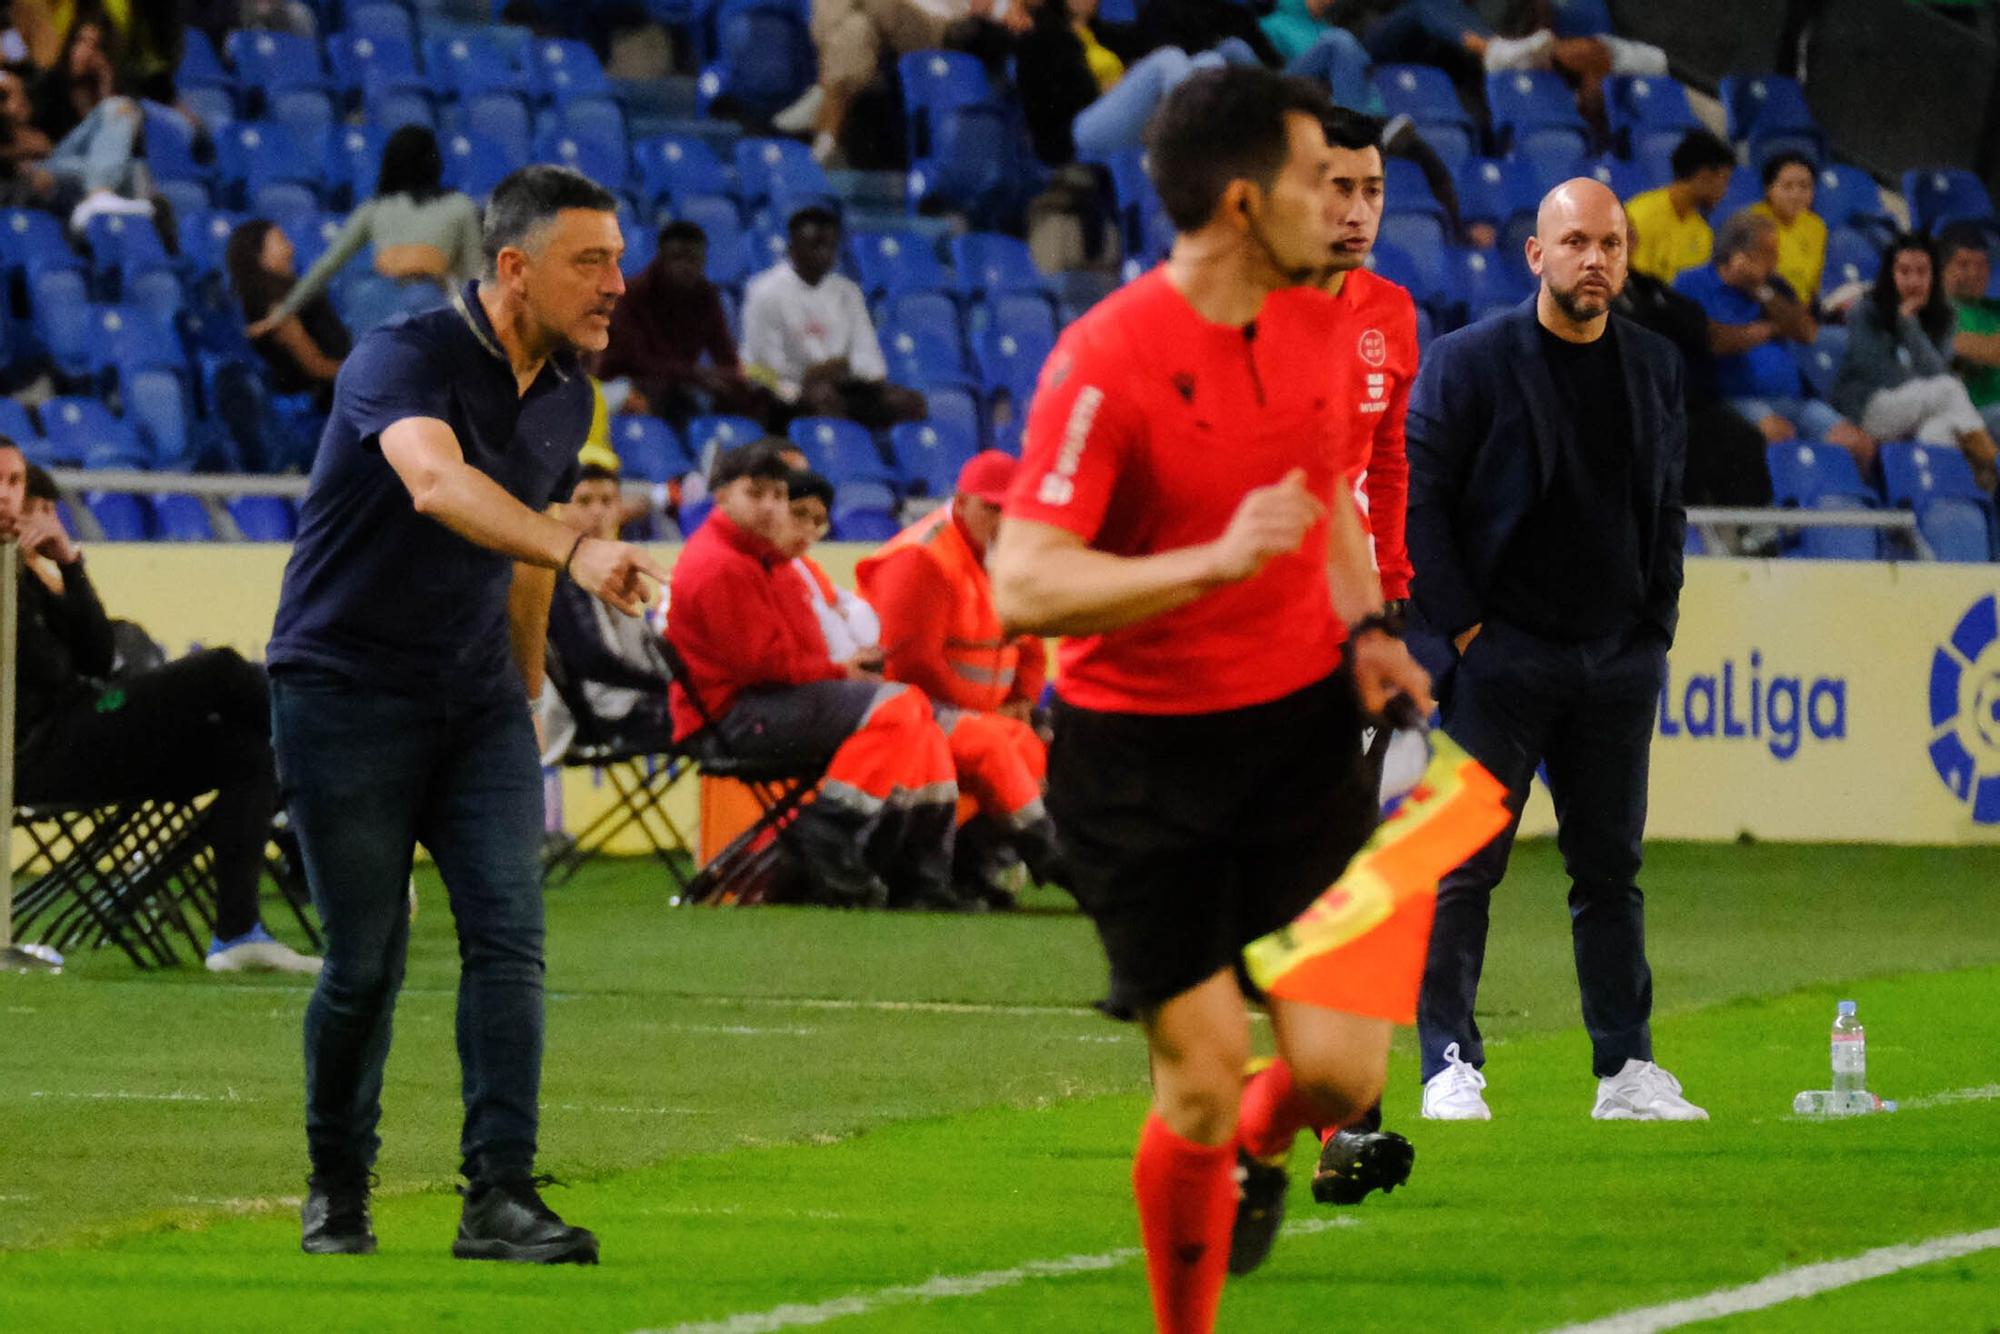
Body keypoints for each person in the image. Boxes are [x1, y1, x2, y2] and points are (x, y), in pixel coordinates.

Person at [991, 67, 1433, 1332]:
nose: (1342, 202)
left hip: (1297, 737)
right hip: (1137, 759)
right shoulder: (1107, 358)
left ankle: (1249, 1146)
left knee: (1341, 1074)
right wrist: (1212, 561)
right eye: (1315, 178)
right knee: (1193, 1074)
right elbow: (1022, 582)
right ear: (1244, 203)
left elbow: (1331, 502)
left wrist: (1364, 628)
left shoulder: (1319, 329)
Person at [268, 165, 667, 1264]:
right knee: (365, 960)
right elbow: (439, 488)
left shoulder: (569, 394)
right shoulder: (399, 358)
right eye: (589, 261)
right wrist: (583, 546)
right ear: (512, 267)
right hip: (342, 688)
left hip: (476, 698)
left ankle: (499, 1194)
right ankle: (336, 1187)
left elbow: (524, 552)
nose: (614, 285)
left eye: (616, 260)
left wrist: (523, 693)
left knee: (511, 937)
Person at [1405, 178, 1704, 1124]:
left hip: (1614, 664)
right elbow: (1422, 506)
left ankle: (1625, 1071)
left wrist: (1653, 630)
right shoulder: (1469, 363)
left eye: (1610, 244)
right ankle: (1449, 1065)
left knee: (1610, 872)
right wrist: (1464, 635)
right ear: (1536, 255)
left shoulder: (1654, 365)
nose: (1596, 260)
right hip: (1501, 661)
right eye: (1575, 242)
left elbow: (1666, 509)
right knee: (1462, 869)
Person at [1, 438, 318, 975]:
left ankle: (237, 934)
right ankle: (339, 748)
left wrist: (68, 565)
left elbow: (98, 658)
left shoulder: (23, 566)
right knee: (218, 670)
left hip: (79, 729)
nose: (10, 496)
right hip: (35, 754)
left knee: (245, 751)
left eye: (16, 483)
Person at [666, 440, 962, 910]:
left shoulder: (763, 559)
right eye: (756, 494)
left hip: (760, 706)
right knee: (903, 707)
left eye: (778, 496)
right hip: (735, 719)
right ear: (721, 496)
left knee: (917, 722)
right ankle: (829, 829)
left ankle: (921, 871)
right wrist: (840, 672)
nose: (771, 507)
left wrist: (841, 671)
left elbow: (787, 655)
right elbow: (761, 666)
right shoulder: (722, 565)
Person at [855, 449, 1065, 902]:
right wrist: (986, 713)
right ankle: (1054, 859)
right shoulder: (921, 558)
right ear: (962, 501)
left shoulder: (1004, 556)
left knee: (1025, 743)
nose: (1004, 521)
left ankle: (972, 869)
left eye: (1014, 511)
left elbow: (1030, 645)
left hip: (973, 712)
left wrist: (1023, 700)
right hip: (911, 711)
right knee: (998, 744)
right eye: (993, 508)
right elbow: (913, 665)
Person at [1676, 209, 1874, 469]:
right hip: (1733, 398)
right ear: (1739, 254)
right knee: (1779, 437)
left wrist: (1759, 290)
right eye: (1769, 252)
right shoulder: (1692, 283)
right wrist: (1766, 330)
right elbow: (1712, 340)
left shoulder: (1773, 287)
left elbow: (1806, 331)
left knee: (1858, 445)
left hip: (1795, 401)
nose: (1777, 259)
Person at [247, 126, 483, 338]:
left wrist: (284, 312)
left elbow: (327, 265)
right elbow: (473, 276)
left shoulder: (374, 209)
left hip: (375, 304)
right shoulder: (459, 206)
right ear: (434, 162)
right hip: (429, 304)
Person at [1615, 217, 1774, 515]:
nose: (1624, 244)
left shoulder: (1649, 288)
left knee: (1742, 437)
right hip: (1629, 408)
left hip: (1681, 403)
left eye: (1629, 236)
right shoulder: (1586, 296)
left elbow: (1702, 330)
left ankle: (1752, 533)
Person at [1832, 233, 2000, 490]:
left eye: (1922, 272)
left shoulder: (1944, 317)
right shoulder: (1864, 312)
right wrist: (1906, 323)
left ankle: (1932, 514)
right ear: (1890, 275)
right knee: (1948, 388)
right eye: (1904, 272)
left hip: (1920, 411)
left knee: (1939, 433)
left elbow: (1935, 370)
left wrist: (1911, 328)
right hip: (1869, 411)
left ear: (1933, 276)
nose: (1913, 281)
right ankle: (1993, 462)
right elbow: (1878, 374)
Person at [739, 207, 926, 429]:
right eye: (816, 245)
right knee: (823, 399)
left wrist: (846, 373)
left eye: (831, 246)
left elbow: (870, 361)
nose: (825, 253)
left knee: (910, 402)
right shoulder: (764, 291)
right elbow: (762, 370)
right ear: (792, 248)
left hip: (841, 386)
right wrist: (808, 382)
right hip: (781, 393)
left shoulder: (848, 292)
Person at [546, 461, 673, 751]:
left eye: (607, 501)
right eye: (584, 501)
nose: (597, 512)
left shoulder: (619, 569)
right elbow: (591, 660)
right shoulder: (556, 577)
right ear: (559, 509)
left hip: (632, 699)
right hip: (596, 715)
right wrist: (663, 685)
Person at [596, 220, 768, 427]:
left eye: (693, 259)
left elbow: (724, 353)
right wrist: (698, 376)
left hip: (681, 383)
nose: (686, 266)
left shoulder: (706, 295)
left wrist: (733, 381)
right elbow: (636, 360)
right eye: (678, 258)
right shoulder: (630, 294)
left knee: (749, 396)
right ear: (661, 258)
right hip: (626, 383)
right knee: (669, 396)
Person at [225, 218, 351, 465]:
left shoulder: (289, 297)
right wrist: (365, 374)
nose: (291, 247)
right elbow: (314, 365)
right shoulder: (275, 308)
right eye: (281, 241)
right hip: (316, 414)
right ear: (259, 256)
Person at [1624, 129, 1737, 286]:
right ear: (1704, 176)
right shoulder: (1640, 216)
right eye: (1724, 180)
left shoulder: (1703, 232)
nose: (1725, 191)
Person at [1937, 224, 2000, 441]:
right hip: (1976, 416)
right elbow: (1968, 348)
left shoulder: (1993, 310)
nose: (1974, 273)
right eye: (1963, 265)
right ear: (1941, 269)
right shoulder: (1936, 310)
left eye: (1981, 265)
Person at [1749, 151, 1827, 310]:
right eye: (1787, 186)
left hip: (1802, 312)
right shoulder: (1751, 223)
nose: (1796, 195)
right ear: (1768, 189)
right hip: (1759, 309)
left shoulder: (1816, 226)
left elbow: (1814, 286)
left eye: (1805, 187)